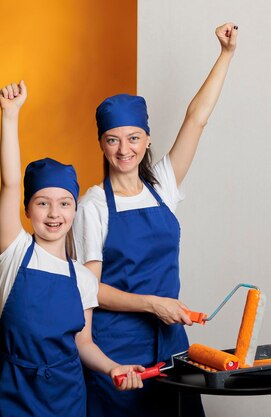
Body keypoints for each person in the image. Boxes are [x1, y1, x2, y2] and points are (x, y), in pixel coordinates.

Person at [73, 23, 238, 416]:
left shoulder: (162, 185)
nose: (124, 149)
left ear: (147, 139)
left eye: (133, 138)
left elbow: (196, 119)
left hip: (171, 347)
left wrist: (226, 55)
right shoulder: (93, 205)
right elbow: (91, 290)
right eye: (113, 139)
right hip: (118, 352)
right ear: (101, 144)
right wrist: (152, 304)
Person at [0, 80, 144, 417]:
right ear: (27, 210)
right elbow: (8, 181)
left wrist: (112, 368)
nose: (54, 213)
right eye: (42, 203)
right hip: (19, 390)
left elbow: (84, 343)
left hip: (68, 395)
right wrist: (10, 115)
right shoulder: (14, 252)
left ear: (74, 210)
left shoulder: (82, 278)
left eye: (64, 203)